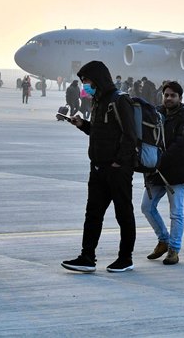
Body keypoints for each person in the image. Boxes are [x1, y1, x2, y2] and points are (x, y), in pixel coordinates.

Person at [61, 61, 137, 273]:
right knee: (92, 213)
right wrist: (83, 125)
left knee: (123, 213)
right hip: (97, 168)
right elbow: (100, 133)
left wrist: (118, 162)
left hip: (117, 170)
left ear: (97, 79)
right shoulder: (98, 101)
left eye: (86, 81)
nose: (84, 85)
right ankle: (87, 257)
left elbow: (130, 136)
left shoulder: (119, 101)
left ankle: (125, 258)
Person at [141, 81, 184, 266]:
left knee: (176, 213)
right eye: (166, 95)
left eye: (173, 95)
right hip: (156, 172)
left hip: (177, 172)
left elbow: (183, 145)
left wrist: (159, 158)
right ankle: (163, 239)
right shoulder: (157, 115)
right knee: (146, 207)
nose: (169, 98)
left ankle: (174, 249)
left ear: (180, 98)